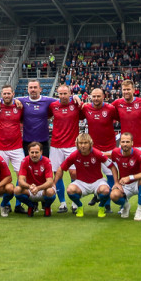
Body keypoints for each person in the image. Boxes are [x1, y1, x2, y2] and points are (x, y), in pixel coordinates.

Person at [111, 79, 141, 213]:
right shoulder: (117, 103)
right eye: (124, 90)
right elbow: (105, 110)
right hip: (126, 145)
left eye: (128, 89)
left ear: (133, 90)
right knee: (125, 172)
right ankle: (123, 204)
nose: (126, 92)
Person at [54, 133, 118, 218]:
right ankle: (79, 206)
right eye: (80, 143)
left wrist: (116, 182)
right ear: (77, 144)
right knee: (70, 190)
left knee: (105, 190)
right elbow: (60, 169)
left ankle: (101, 207)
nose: (83, 145)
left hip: (97, 181)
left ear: (90, 144)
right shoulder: (74, 155)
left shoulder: (97, 153)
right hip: (81, 182)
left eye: (85, 143)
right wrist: (54, 184)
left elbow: (112, 167)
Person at [80, 88, 118, 212]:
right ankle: (96, 195)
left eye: (98, 96)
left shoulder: (110, 109)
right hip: (93, 150)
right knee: (94, 176)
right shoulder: (86, 108)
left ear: (104, 97)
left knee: (110, 176)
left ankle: (107, 204)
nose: (96, 98)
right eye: (94, 96)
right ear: (90, 97)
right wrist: (74, 97)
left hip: (109, 148)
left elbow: (122, 118)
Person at [0, 84, 26, 214]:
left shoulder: (19, 107)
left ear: (13, 94)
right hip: (0, 148)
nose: (6, 96)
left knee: (22, 176)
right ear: (1, 95)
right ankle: (5, 203)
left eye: (9, 93)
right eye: (4, 94)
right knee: (1, 178)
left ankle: (18, 204)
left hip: (17, 147)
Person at [49, 84, 82, 213]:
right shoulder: (53, 106)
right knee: (58, 174)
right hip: (56, 145)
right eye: (60, 94)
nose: (62, 96)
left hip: (72, 145)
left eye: (65, 93)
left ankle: (74, 201)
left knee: (74, 173)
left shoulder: (76, 105)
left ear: (70, 94)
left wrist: (78, 98)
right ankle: (62, 202)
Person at [109, 132, 141, 221]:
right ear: (120, 143)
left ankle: (139, 210)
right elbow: (109, 162)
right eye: (123, 142)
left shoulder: (138, 153)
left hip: (137, 183)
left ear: (132, 143)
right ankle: (126, 205)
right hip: (124, 185)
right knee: (113, 195)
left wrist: (130, 177)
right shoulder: (115, 152)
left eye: (127, 142)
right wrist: (116, 182)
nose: (125, 144)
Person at [14, 141, 57, 217]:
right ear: (28, 152)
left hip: (43, 189)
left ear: (41, 152)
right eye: (32, 152)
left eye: (36, 152)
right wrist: (29, 187)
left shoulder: (47, 161)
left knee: (50, 191)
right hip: (30, 189)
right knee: (17, 190)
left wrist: (38, 188)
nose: (34, 155)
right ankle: (31, 206)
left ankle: (47, 207)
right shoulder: (24, 161)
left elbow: (50, 182)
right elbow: (20, 180)